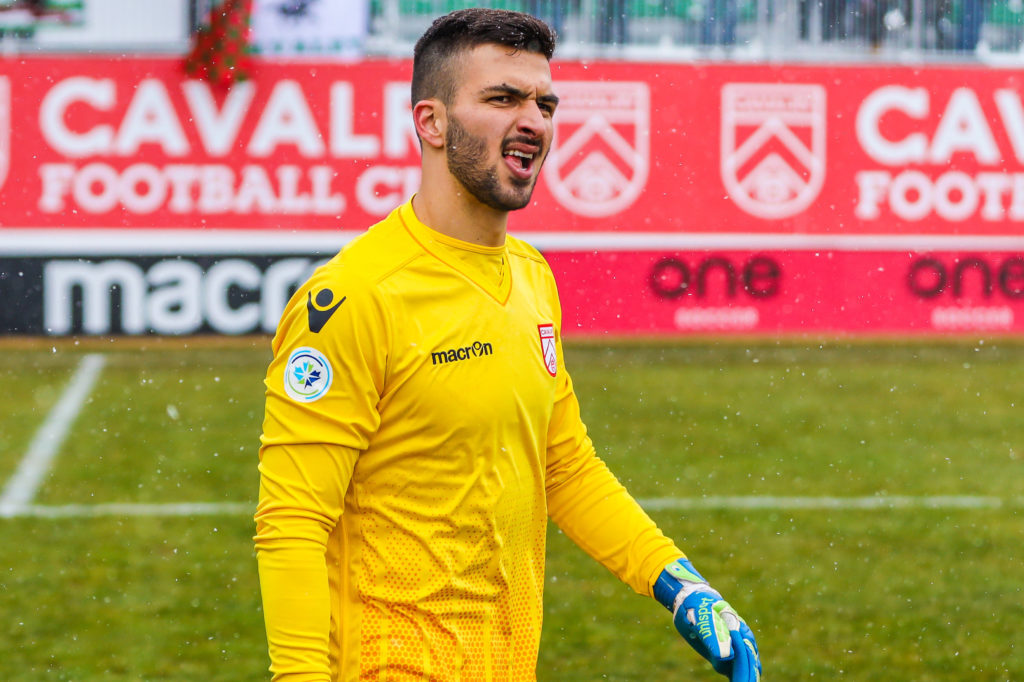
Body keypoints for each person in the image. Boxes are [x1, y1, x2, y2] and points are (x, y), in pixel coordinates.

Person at [254, 8, 761, 681]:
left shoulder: (530, 276)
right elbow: (291, 523)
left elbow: (564, 465)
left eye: (543, 103)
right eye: (502, 99)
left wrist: (679, 584)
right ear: (430, 123)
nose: (534, 121)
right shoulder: (353, 298)